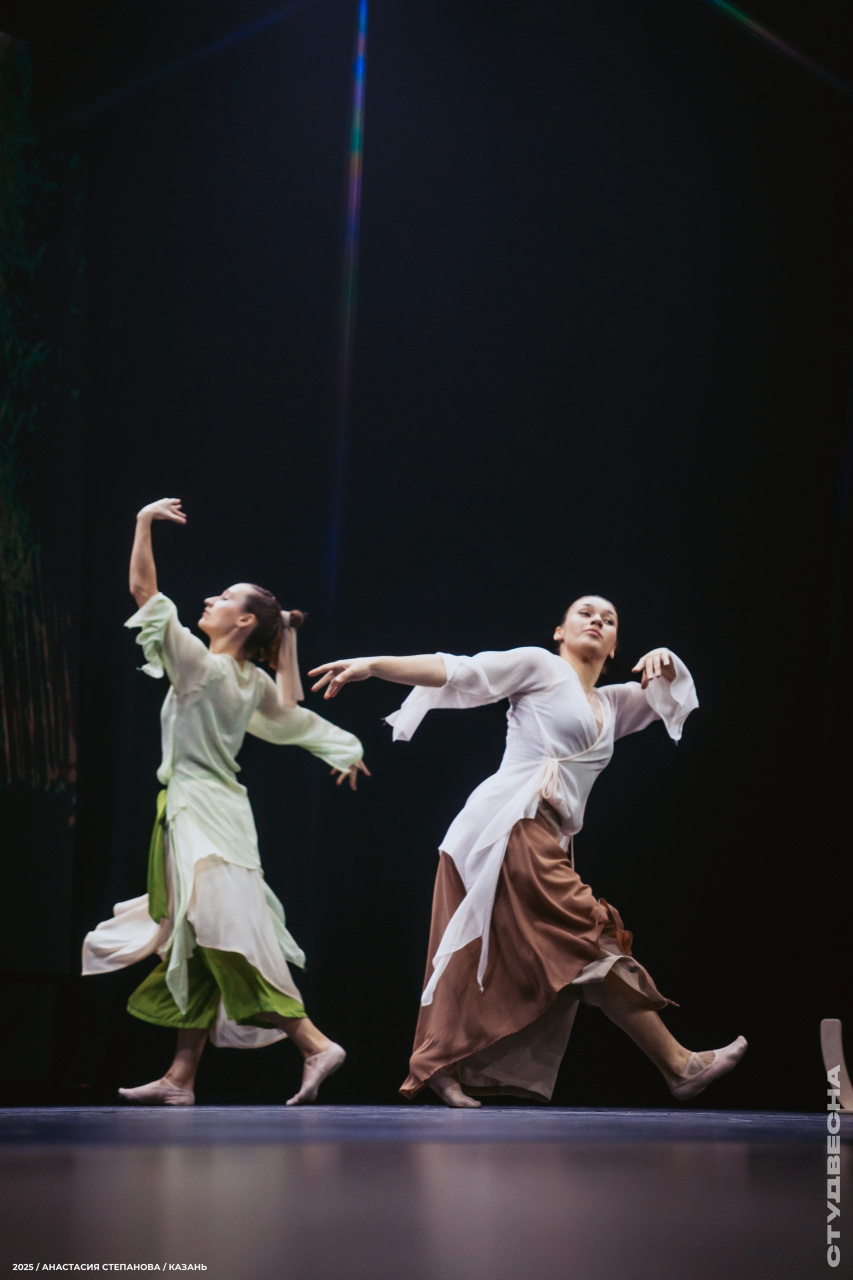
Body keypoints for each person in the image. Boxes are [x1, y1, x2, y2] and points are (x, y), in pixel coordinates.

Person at [309, 597, 746, 1107]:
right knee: (585, 934)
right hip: (506, 824)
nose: (597, 620)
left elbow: (670, 700)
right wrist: (374, 665)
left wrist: (666, 658)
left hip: (541, 834)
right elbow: (460, 670)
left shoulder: (613, 704)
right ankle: (679, 1065)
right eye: (586, 613)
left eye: (609, 619)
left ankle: (440, 1066)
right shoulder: (541, 667)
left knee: (501, 953)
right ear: (559, 631)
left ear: (615, 647)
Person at [83, 498, 369, 1107]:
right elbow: (293, 716)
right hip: (217, 813)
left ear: (243, 622)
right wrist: (344, 747)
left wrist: (141, 521)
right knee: (197, 933)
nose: (210, 600)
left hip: (199, 813)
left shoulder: (201, 667)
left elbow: (144, 592)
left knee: (217, 928)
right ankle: (180, 1077)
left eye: (224, 598)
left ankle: (314, 1043)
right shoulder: (251, 680)